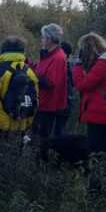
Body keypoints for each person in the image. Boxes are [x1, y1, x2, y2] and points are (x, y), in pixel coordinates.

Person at [71, 33, 106, 193]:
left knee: (96, 152)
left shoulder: (103, 65)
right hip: (105, 114)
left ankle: (97, 188)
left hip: (98, 115)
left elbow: (82, 85)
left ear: (88, 49)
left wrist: (78, 65)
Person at [0, 36, 40, 155]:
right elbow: (36, 99)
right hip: (21, 122)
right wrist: (28, 123)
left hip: (0, 124)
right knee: (15, 154)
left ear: (3, 50)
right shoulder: (29, 71)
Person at [29, 24, 69, 159]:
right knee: (38, 136)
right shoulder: (49, 55)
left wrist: (32, 75)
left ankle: (41, 164)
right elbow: (40, 69)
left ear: (50, 39)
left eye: (43, 37)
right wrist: (28, 64)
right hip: (42, 103)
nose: (41, 40)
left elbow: (50, 82)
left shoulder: (58, 57)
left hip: (48, 105)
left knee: (42, 139)